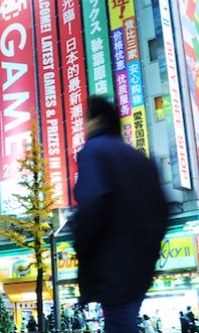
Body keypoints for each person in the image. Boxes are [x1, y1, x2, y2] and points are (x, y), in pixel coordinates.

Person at [69, 96, 169, 333]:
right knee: (125, 320)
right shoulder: (141, 159)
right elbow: (163, 211)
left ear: (97, 120)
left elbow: (93, 201)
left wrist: (81, 242)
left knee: (119, 323)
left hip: (113, 261)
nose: (84, 127)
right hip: (142, 264)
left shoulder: (94, 151)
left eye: (86, 120)